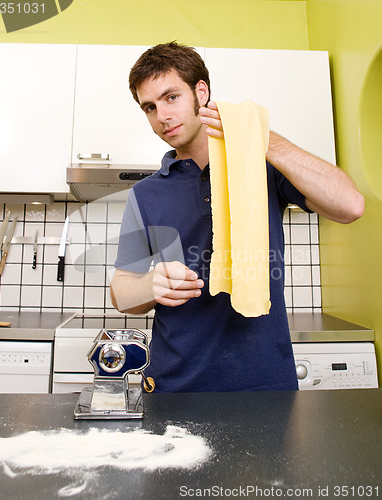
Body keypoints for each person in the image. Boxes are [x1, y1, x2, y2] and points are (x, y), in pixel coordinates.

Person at [110, 41, 364, 393]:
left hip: (265, 385)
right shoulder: (145, 194)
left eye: (171, 97)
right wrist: (150, 286)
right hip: (175, 388)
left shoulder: (262, 168)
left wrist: (258, 137)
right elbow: (122, 293)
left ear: (201, 92)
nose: (161, 116)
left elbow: (350, 205)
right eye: (149, 107)